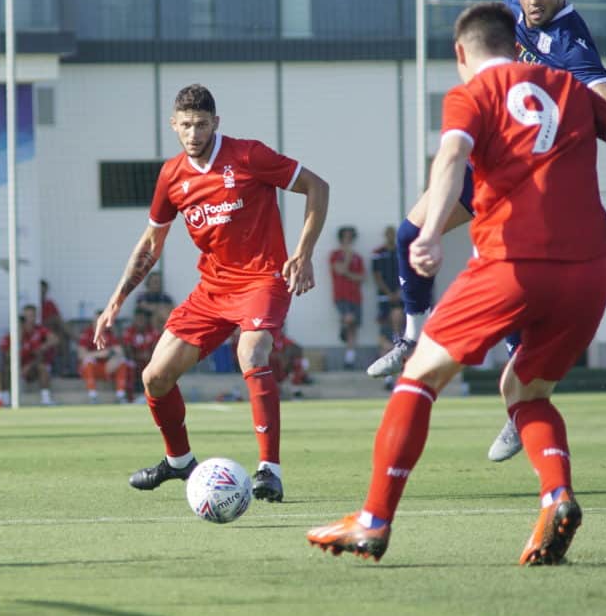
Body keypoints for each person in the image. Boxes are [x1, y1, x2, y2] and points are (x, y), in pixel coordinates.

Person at [307, 2, 606, 566]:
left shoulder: (471, 94)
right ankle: (557, 496)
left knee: (419, 377)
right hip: (591, 272)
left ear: (461, 53)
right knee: (524, 391)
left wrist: (428, 231)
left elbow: (452, 154)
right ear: (515, 46)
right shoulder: (572, 89)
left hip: (513, 264)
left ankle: (373, 522)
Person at [368, 0, 606, 463]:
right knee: (409, 231)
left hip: (531, 175)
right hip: (491, 156)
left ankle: (518, 412)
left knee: (516, 288)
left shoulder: (571, 42)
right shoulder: (515, 2)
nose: (533, 1)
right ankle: (412, 334)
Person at [94, 83, 329, 502]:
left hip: (263, 279)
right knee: (155, 376)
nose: (194, 133)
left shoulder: (248, 155)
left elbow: (318, 187)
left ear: (215, 123)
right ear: (174, 125)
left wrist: (303, 253)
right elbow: (151, 243)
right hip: (212, 289)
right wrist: (116, 301)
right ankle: (180, 462)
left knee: (251, 354)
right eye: (185, 125)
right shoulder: (172, 175)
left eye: (201, 124)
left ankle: (269, 471)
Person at [0, 304, 59, 406]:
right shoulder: (9, 338)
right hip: (15, 368)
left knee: (42, 367)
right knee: (5, 370)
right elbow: (6, 357)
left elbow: (51, 343)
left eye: (32, 316)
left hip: (32, 367)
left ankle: (46, 398)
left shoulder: (37, 332)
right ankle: (5, 399)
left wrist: (42, 347)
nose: (29, 320)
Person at [370, 225, 404, 386]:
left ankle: (396, 373)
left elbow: (405, 272)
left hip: (399, 296)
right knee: (385, 335)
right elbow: (376, 275)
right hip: (385, 298)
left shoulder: (401, 251)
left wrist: (398, 291)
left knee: (399, 328)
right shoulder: (378, 253)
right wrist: (389, 293)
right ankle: (388, 376)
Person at [330, 226, 365, 370]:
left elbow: (361, 277)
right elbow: (339, 269)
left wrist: (347, 273)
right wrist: (348, 259)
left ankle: (349, 358)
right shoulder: (335, 255)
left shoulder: (358, 257)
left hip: (356, 296)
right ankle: (343, 327)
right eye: (346, 237)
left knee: (353, 328)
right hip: (341, 295)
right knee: (349, 319)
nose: (348, 240)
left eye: (350, 237)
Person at [77, 312, 132, 403]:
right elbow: (81, 355)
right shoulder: (87, 334)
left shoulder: (109, 334)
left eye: (103, 320)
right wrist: (101, 353)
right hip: (90, 369)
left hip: (107, 367)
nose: (100, 323)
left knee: (121, 361)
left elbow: (120, 352)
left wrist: (112, 357)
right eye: (98, 320)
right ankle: (92, 396)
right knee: (88, 361)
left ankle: (120, 395)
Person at [122, 307, 160, 402]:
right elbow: (127, 350)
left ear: (146, 320)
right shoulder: (129, 332)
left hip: (150, 362)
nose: (140, 321)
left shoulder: (153, 332)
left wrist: (150, 356)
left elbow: (158, 349)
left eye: (142, 319)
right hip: (134, 361)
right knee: (128, 367)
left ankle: (154, 397)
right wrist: (137, 356)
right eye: (138, 319)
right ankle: (130, 398)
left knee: (159, 368)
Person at [268, 332, 311, 398]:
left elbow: (295, 347)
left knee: (297, 367)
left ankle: (296, 392)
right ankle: (277, 391)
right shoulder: (269, 340)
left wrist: (287, 360)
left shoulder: (284, 340)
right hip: (275, 366)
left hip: (287, 367)